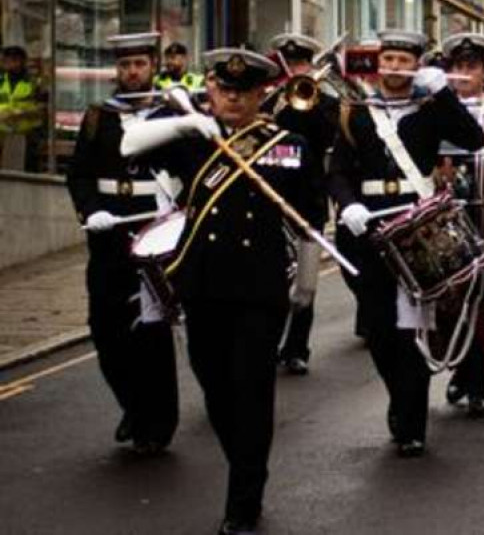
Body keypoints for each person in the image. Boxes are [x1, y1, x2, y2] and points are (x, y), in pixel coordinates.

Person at [120, 47, 325, 535]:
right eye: (225, 90)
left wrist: (308, 283)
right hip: (202, 283)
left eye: (244, 92)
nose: (233, 100)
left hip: (260, 286)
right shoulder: (193, 138)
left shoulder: (287, 144)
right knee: (213, 385)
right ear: (211, 89)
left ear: (261, 94)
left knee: (252, 391)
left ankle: (244, 499)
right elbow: (129, 145)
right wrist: (184, 126)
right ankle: (246, 461)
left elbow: (310, 220)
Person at [328, 30, 484, 458]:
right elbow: (339, 169)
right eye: (389, 59)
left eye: (403, 60)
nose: (395, 68)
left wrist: (444, 95)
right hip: (368, 226)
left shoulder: (431, 108)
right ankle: (400, 398)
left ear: (417, 64)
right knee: (379, 329)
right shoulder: (355, 110)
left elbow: (474, 139)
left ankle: (412, 422)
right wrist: (347, 205)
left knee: (412, 325)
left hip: (417, 225)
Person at [65, 32, 180, 455]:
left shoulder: (171, 114)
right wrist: (89, 209)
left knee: (151, 331)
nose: (132, 72)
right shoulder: (99, 117)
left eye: (140, 65)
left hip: (155, 231)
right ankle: (133, 407)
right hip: (109, 234)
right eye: (125, 66)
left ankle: (158, 424)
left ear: (154, 66)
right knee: (106, 329)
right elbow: (78, 173)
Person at [264, 33, 339, 375]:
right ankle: (267, 344)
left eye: (301, 63)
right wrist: (276, 105)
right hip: (270, 199)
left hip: (308, 199)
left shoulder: (324, 100)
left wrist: (312, 100)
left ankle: (297, 348)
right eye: (290, 63)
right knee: (271, 278)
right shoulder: (268, 100)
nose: (296, 70)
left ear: (311, 64)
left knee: (305, 284)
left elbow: (330, 137)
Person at [436, 32, 484, 417]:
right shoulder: (432, 107)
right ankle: (459, 369)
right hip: (442, 215)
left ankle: (477, 382)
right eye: (456, 68)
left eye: (471, 68)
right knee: (446, 302)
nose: (462, 75)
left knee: (482, 301)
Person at [0, 45, 43, 170]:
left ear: (21, 61)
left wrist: (20, 113)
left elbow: (42, 109)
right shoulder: (1, 80)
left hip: (27, 136)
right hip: (3, 136)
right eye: (6, 59)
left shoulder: (34, 82)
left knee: (27, 171)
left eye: (13, 59)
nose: (8, 63)